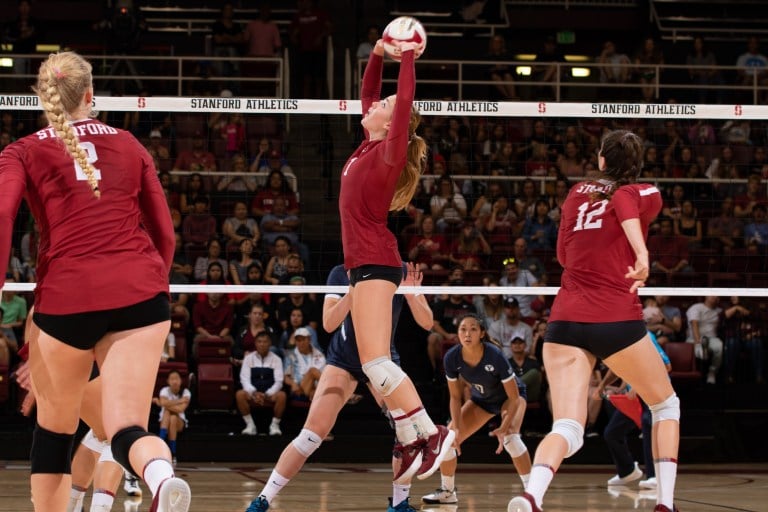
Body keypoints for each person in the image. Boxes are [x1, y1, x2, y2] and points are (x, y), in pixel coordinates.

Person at [0, 51, 189, 511]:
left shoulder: (21, 150)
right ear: (90, 95)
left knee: (54, 432)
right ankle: (162, 479)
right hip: (141, 294)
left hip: (68, 298)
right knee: (125, 428)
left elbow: (3, 216)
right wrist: (153, 288)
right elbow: (165, 232)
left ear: (40, 97)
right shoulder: (129, 143)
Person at [507, 130, 680, 512]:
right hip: (616, 320)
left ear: (601, 160)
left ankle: (531, 494)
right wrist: (641, 254)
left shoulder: (575, 193)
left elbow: (564, 256)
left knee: (568, 427)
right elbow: (622, 197)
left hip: (566, 320)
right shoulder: (645, 192)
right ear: (636, 165)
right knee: (666, 406)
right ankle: (666, 504)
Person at [338, 37, 455, 484]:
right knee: (374, 363)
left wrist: (407, 55)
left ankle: (431, 431)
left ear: (393, 123)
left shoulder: (390, 151)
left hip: (375, 261)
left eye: (384, 104)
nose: (374, 103)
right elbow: (372, 94)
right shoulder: (370, 142)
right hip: (365, 263)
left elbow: (402, 99)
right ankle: (411, 438)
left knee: (376, 364)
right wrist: (375, 52)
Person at [244, 262, 434, 512]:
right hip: (344, 360)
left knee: (406, 432)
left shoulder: (397, 269)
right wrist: (353, 290)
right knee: (311, 436)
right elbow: (329, 323)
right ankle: (263, 500)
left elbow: (427, 322)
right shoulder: (340, 271)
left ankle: (399, 503)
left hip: (381, 359)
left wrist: (410, 293)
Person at [422, 314, 531, 506]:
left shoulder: (494, 355)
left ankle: (532, 493)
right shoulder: (452, 357)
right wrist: (456, 427)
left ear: (482, 333)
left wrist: (504, 427)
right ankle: (448, 492)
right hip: (483, 401)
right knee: (448, 440)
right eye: (463, 329)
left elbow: (514, 397)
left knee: (511, 439)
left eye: (473, 329)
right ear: (457, 333)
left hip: (510, 398)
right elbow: (455, 397)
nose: (467, 333)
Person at [236, 330, 287, 436]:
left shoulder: (276, 359)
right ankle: (250, 425)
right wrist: (254, 393)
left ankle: (274, 425)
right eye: (259, 342)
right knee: (239, 394)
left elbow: (279, 381)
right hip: (253, 394)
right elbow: (244, 379)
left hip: (270, 394)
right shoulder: (248, 358)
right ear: (255, 343)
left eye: (265, 342)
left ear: (270, 343)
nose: (262, 344)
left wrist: (266, 394)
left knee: (282, 396)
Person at [152, 370, 191, 465]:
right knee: (169, 415)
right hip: (166, 420)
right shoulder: (165, 390)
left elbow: (181, 409)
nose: (174, 381)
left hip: (180, 422)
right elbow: (165, 403)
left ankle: (160, 446)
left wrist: (163, 403)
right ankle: (173, 453)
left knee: (170, 413)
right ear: (168, 381)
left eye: (177, 378)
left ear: (181, 381)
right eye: (172, 379)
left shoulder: (186, 392)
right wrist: (180, 401)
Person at [686, 296, 724, 385]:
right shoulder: (696, 307)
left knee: (719, 346)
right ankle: (694, 377)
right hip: (694, 339)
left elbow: (726, 314)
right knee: (697, 353)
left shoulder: (719, 311)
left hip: (712, 338)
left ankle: (712, 372)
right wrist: (698, 342)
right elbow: (694, 324)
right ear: (706, 296)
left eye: (717, 296)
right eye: (713, 295)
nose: (715, 297)